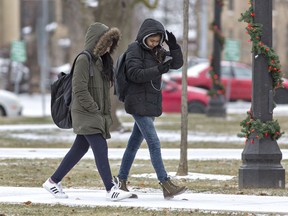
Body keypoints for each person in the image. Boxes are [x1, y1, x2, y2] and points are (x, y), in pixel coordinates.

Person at [43, 22, 132, 201]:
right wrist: (95, 109)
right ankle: (110, 189)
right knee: (100, 147)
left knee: (79, 148)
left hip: (92, 112)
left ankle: (53, 181)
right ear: (96, 41)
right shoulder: (84, 59)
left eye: (110, 44)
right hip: (85, 111)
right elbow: (79, 89)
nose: (108, 47)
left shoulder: (100, 61)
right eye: (105, 43)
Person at [117, 18, 187, 199]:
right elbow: (134, 74)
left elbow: (177, 65)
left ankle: (121, 181)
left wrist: (174, 47)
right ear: (144, 37)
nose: (154, 44)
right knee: (154, 142)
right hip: (136, 101)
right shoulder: (134, 49)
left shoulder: (158, 51)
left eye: (157, 41)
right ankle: (165, 183)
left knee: (133, 144)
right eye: (151, 40)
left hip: (151, 102)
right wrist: (158, 69)